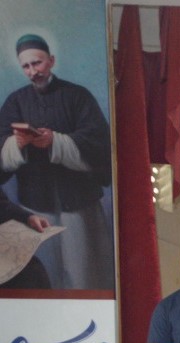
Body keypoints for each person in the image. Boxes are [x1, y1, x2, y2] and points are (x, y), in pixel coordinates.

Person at [0, 35, 112, 290]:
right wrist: (15, 145)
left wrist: (56, 143)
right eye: (26, 66)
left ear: (51, 61)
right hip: (35, 207)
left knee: (81, 275)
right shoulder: (15, 102)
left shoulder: (77, 96)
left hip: (79, 206)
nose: (33, 71)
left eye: (37, 63)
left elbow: (98, 144)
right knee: (42, 276)